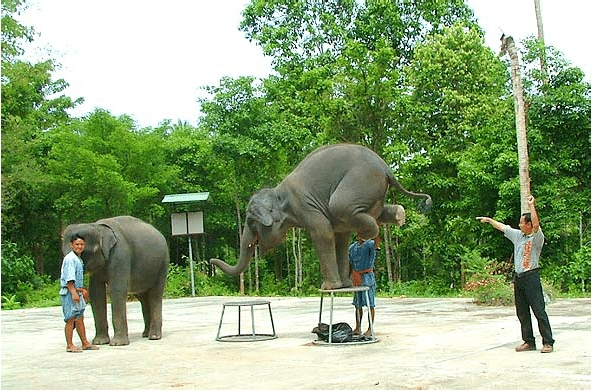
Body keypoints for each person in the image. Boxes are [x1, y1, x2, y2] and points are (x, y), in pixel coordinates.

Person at [476, 195, 554, 353]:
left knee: (539, 310)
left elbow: (537, 224)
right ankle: (529, 341)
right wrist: (490, 220)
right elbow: (503, 227)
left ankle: (548, 342)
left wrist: (532, 205)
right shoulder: (518, 236)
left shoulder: (537, 238)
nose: (519, 225)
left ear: (529, 224)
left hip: (531, 276)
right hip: (519, 278)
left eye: (522, 222)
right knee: (522, 312)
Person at [59, 234, 99, 353]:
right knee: (70, 318)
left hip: (77, 292)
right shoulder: (70, 258)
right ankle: (70, 345)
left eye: (81, 244)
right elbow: (69, 279)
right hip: (70, 293)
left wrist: (81, 290)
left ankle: (85, 343)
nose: (79, 246)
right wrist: (74, 293)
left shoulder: (78, 258)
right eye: (77, 244)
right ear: (71, 245)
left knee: (80, 317)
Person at [349, 233, 380, 336]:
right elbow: (349, 263)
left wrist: (376, 229)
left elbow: (376, 244)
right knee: (357, 305)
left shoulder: (370, 244)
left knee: (370, 304)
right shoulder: (352, 247)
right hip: (356, 278)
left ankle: (370, 328)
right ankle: (358, 327)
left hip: (367, 277)